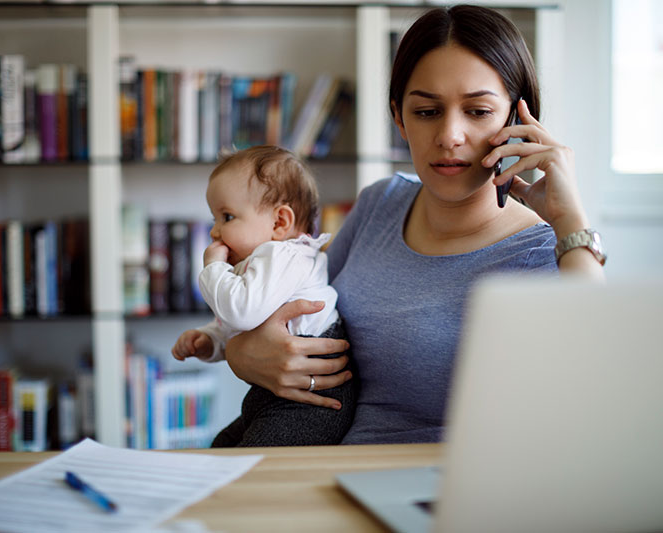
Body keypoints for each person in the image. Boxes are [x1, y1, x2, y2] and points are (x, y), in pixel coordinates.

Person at [180, 5, 606, 445]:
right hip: (327, 470)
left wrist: (569, 220)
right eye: (427, 112)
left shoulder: (546, 252)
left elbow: (595, 389)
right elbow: (292, 303)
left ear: (517, 120)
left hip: (440, 493)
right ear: (399, 117)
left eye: (478, 111)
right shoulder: (380, 203)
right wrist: (239, 352)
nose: (450, 135)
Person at [171, 145, 356, 447]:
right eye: (215, 219)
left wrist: (213, 267)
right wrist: (211, 340)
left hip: (311, 401)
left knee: (255, 462)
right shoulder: (262, 262)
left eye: (227, 217)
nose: (215, 232)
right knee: (222, 446)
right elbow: (245, 325)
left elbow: (242, 312)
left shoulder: (284, 255)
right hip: (275, 393)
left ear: (279, 223)